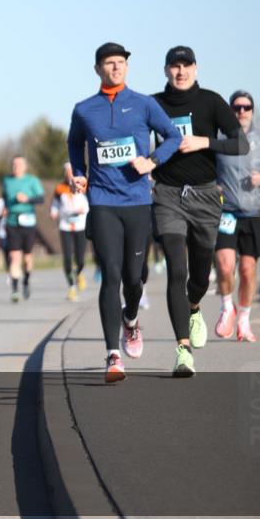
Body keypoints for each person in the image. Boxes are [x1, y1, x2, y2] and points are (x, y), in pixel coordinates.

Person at [67, 42, 181, 382]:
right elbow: (75, 144)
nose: (115, 68)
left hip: (136, 202)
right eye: (109, 63)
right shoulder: (84, 109)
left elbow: (173, 136)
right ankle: (112, 355)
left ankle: (131, 320)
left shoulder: (144, 104)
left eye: (120, 63)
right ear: (98, 69)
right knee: (111, 272)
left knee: (134, 277)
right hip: (102, 202)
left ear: (127, 68)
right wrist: (79, 172)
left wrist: (153, 160)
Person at [151, 46, 249, 376]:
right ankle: (183, 350)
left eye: (186, 66)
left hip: (206, 197)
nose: (180, 72)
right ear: (165, 70)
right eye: (174, 66)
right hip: (167, 194)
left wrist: (205, 142)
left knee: (198, 276)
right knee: (176, 269)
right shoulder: (154, 104)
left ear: (196, 68)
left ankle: (194, 308)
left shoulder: (211, 101)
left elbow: (241, 143)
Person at [214, 91, 260, 342]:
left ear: (252, 110)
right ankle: (226, 308)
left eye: (246, 107)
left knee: (247, 269)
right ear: (230, 110)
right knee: (224, 265)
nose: (241, 111)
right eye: (236, 107)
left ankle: (243, 317)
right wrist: (213, 185)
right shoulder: (219, 137)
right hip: (227, 211)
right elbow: (206, 168)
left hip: (255, 213)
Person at [2, 156, 44, 303]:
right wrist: (4, 208)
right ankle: (14, 290)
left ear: (25, 166)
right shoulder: (7, 180)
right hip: (12, 222)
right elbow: (4, 197)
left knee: (27, 258)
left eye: (19, 164)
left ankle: (26, 280)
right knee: (14, 257)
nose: (16, 166)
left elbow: (41, 199)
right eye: (14, 164)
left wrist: (27, 199)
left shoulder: (32, 180)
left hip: (28, 222)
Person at [50, 163, 89, 301]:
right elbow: (55, 204)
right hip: (65, 226)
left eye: (71, 171)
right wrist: (54, 212)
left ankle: (79, 273)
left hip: (80, 225)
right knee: (67, 258)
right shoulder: (59, 188)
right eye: (67, 172)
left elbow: (89, 201)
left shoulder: (82, 184)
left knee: (80, 259)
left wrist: (84, 210)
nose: (69, 174)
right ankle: (71, 287)